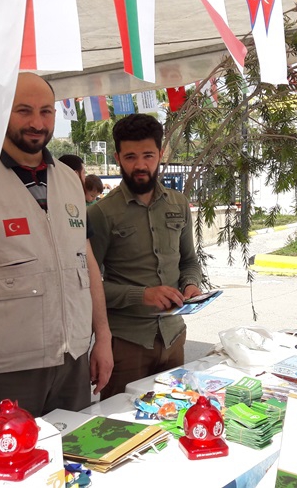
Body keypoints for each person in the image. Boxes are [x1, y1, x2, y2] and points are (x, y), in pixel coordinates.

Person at [0, 72, 113, 461]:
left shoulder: (69, 180)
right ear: (2, 113)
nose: (37, 122)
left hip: (71, 363)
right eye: (24, 111)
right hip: (5, 368)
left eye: (45, 111)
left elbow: (86, 265)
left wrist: (101, 336)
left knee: (71, 464)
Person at [87, 113, 204, 399]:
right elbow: (87, 284)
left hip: (174, 337)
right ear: (117, 157)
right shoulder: (101, 214)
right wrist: (142, 295)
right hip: (127, 343)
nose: (140, 165)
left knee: (173, 418)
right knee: (123, 426)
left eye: (148, 155)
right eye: (130, 157)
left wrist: (190, 285)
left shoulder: (178, 203)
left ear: (161, 154)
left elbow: (188, 261)